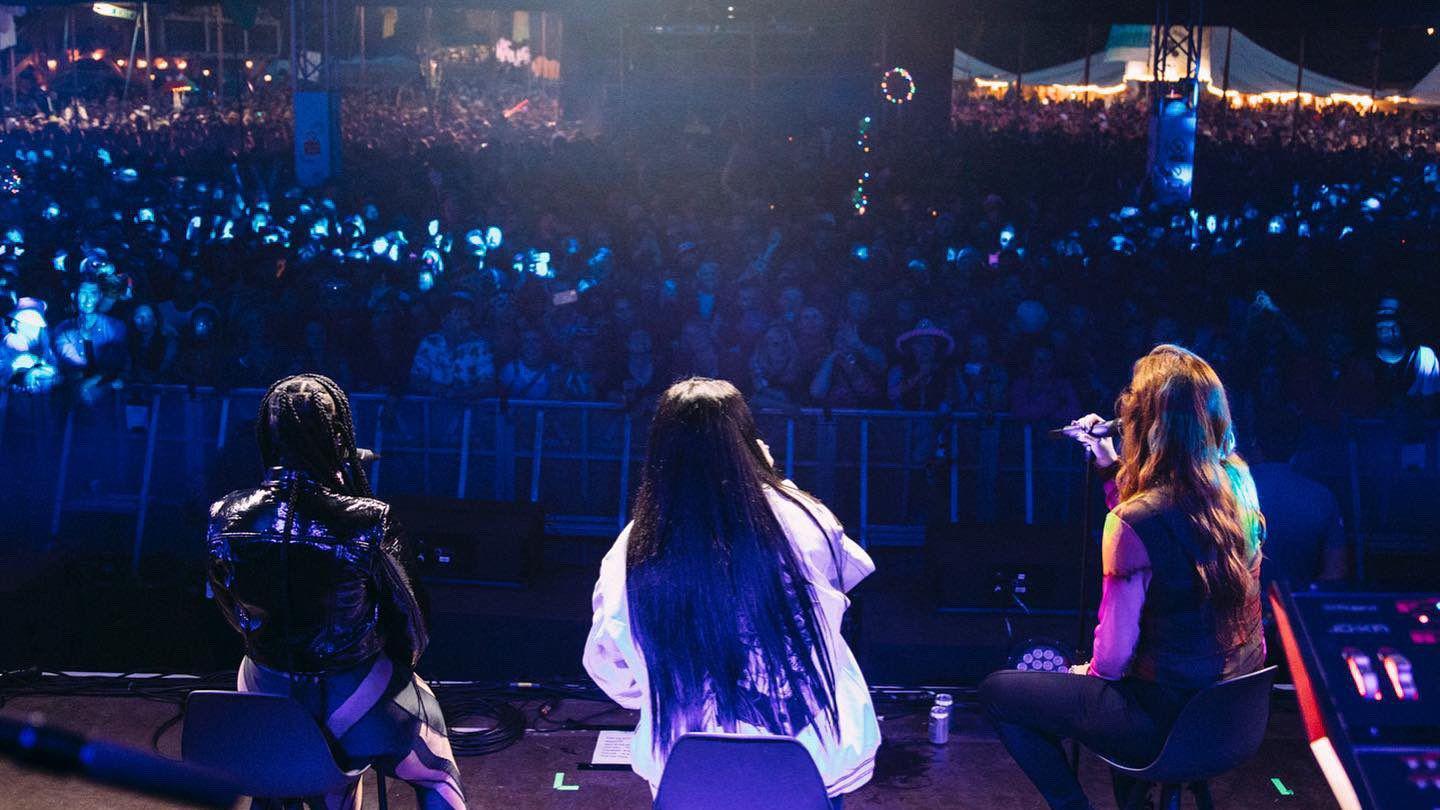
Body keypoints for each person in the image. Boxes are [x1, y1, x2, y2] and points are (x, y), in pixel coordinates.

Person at [979, 345, 1266, 810]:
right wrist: (1109, 463)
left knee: (998, 692)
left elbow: (1110, 663)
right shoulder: (1238, 482)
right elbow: (1166, 530)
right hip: (1232, 716)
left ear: (1146, 424)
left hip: (1163, 721)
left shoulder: (1134, 521)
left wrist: (1082, 676)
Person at [583, 378, 880, 806]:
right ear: (748, 442)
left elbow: (610, 665)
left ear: (662, 454)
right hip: (808, 759)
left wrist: (663, 688)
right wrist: (773, 481)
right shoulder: (806, 518)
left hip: (689, 764)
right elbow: (838, 592)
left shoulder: (636, 544)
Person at [206, 374, 465, 809]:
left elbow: (234, 612)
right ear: (339, 438)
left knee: (312, 776)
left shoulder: (223, 515)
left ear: (267, 435)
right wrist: (396, 673)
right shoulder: (368, 520)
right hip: (354, 694)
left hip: (263, 692)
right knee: (437, 774)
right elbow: (414, 625)